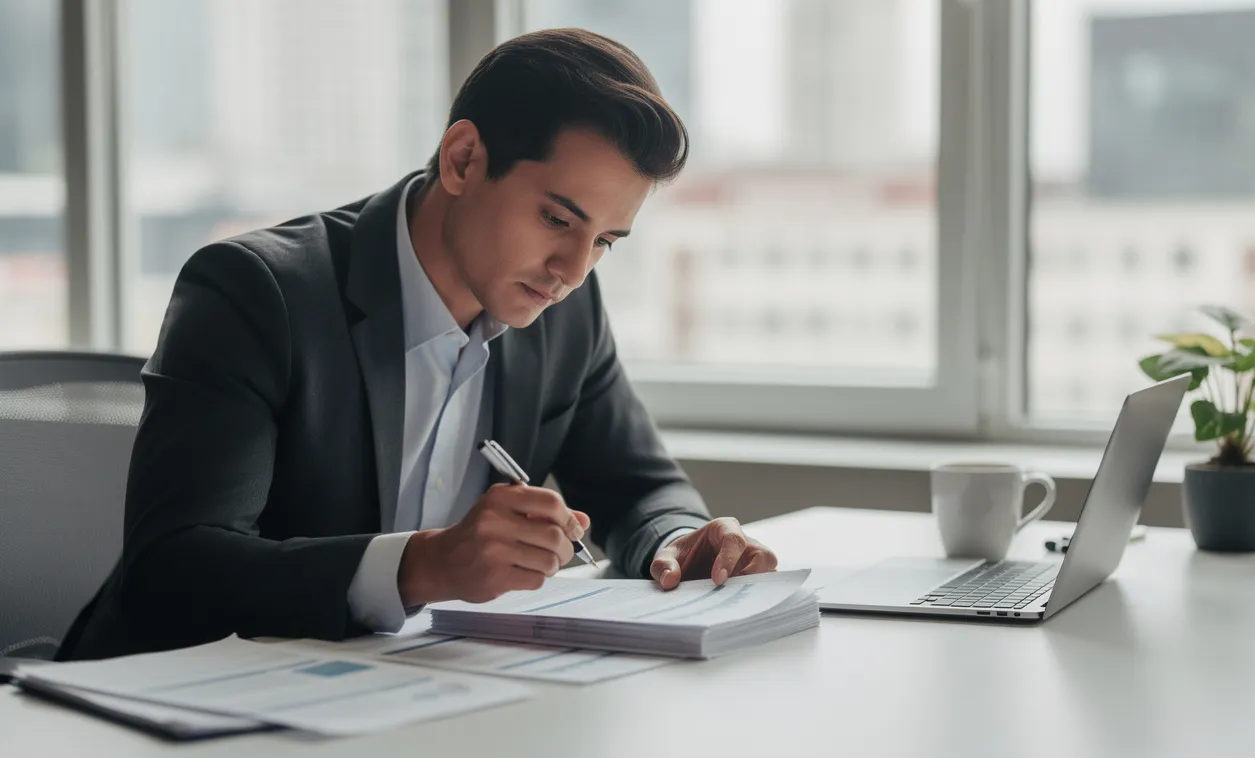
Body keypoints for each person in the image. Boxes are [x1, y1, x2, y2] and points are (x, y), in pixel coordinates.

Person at [60, 28, 778, 661]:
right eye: (559, 219)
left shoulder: (565, 309)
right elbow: (174, 569)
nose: (573, 270)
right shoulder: (256, 293)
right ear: (464, 159)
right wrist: (421, 566)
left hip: (399, 705)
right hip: (178, 704)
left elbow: (639, 487)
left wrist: (678, 541)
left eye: (606, 243)